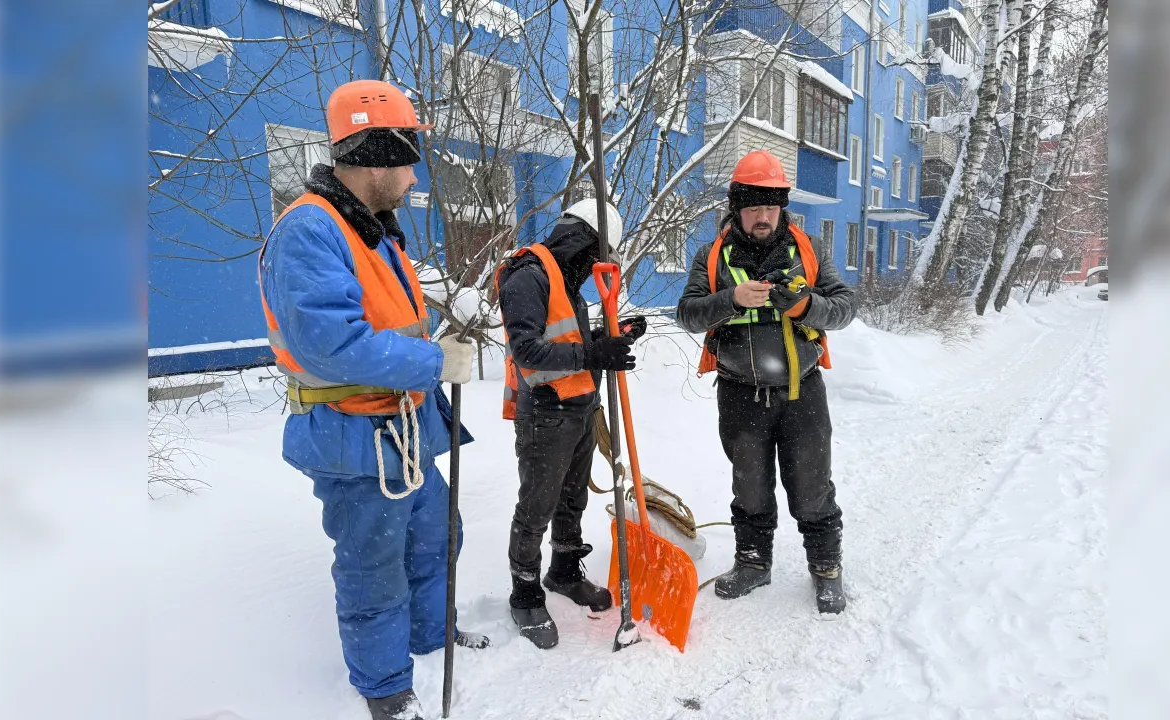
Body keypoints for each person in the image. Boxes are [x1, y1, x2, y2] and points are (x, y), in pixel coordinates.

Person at [258, 79, 486, 720]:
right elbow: (333, 343)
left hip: (405, 431)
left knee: (439, 538)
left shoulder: (372, 231)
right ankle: (386, 689)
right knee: (373, 567)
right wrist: (436, 360)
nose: (414, 176)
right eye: (409, 157)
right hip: (354, 437)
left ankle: (430, 640)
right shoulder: (310, 231)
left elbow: (390, 320)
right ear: (377, 152)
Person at [675, 150, 858, 615]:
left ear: (782, 207)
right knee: (750, 486)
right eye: (752, 207)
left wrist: (802, 307)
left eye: (769, 207)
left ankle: (827, 569)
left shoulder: (807, 251)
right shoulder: (711, 256)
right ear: (736, 207)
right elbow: (688, 314)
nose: (761, 217)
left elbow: (844, 307)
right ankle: (754, 564)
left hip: (803, 391)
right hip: (740, 392)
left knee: (812, 486)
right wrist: (731, 299)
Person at [494, 199, 647, 648]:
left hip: (579, 409)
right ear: (581, 242)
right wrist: (592, 353)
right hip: (544, 414)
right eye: (597, 256)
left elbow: (572, 344)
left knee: (571, 501)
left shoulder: (566, 285)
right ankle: (524, 592)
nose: (597, 268)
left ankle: (563, 571)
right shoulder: (528, 277)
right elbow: (529, 352)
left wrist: (607, 341)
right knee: (537, 506)